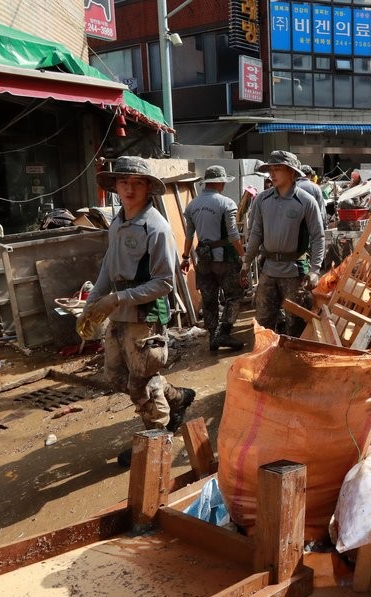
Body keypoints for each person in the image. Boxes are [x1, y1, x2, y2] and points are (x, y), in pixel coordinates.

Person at [82, 156, 194, 467]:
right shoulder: (117, 221)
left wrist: (117, 299)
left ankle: (156, 441)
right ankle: (177, 398)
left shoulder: (155, 226)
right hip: (118, 312)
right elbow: (108, 264)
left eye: (137, 183)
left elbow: (165, 283)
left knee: (142, 380)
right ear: (115, 185)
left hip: (145, 315)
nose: (129, 189)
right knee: (117, 376)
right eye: (123, 182)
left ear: (148, 188)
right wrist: (93, 302)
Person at [239, 151, 325, 337]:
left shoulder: (306, 201)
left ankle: (293, 362)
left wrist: (315, 270)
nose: (272, 174)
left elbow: (318, 236)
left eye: (278, 169)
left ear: (292, 173)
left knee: (296, 324)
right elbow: (256, 233)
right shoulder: (263, 199)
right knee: (263, 323)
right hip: (268, 270)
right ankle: (267, 361)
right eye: (271, 169)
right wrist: (246, 262)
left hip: (294, 272)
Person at [180, 165, 245, 352]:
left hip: (203, 260)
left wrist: (185, 258)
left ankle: (212, 337)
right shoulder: (226, 203)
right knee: (234, 296)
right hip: (225, 260)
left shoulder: (192, 206)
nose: (224, 184)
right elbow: (233, 235)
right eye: (223, 181)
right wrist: (244, 257)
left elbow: (189, 236)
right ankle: (224, 332)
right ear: (218, 182)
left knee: (209, 299)